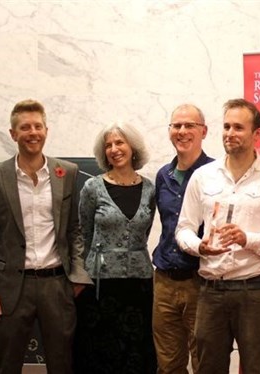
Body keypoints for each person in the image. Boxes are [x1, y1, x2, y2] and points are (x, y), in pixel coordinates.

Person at [175, 98, 260, 374]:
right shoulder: (203, 176)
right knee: (207, 368)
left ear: (257, 134)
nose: (230, 133)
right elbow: (183, 229)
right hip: (210, 291)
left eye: (238, 128)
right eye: (226, 127)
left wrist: (248, 239)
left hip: (255, 292)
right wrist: (200, 247)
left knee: (257, 367)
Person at [0, 99, 92, 374]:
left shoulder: (67, 172)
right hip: (11, 287)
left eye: (38, 126)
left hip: (56, 285)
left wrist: (77, 274)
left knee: (62, 363)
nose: (33, 132)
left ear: (46, 130)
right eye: (25, 127)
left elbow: (74, 229)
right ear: (13, 134)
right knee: (9, 364)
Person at [73, 122, 156, 373]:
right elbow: (84, 233)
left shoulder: (150, 188)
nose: (114, 149)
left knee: (135, 350)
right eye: (108, 145)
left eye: (119, 142)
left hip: (138, 282)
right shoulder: (92, 188)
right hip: (100, 283)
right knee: (99, 351)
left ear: (132, 148)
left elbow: (144, 230)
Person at [152, 104, 214, 373]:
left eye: (190, 125)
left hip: (200, 281)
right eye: (176, 125)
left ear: (204, 131)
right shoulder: (162, 175)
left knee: (204, 360)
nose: (182, 131)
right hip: (164, 281)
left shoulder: (216, 173)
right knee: (168, 363)